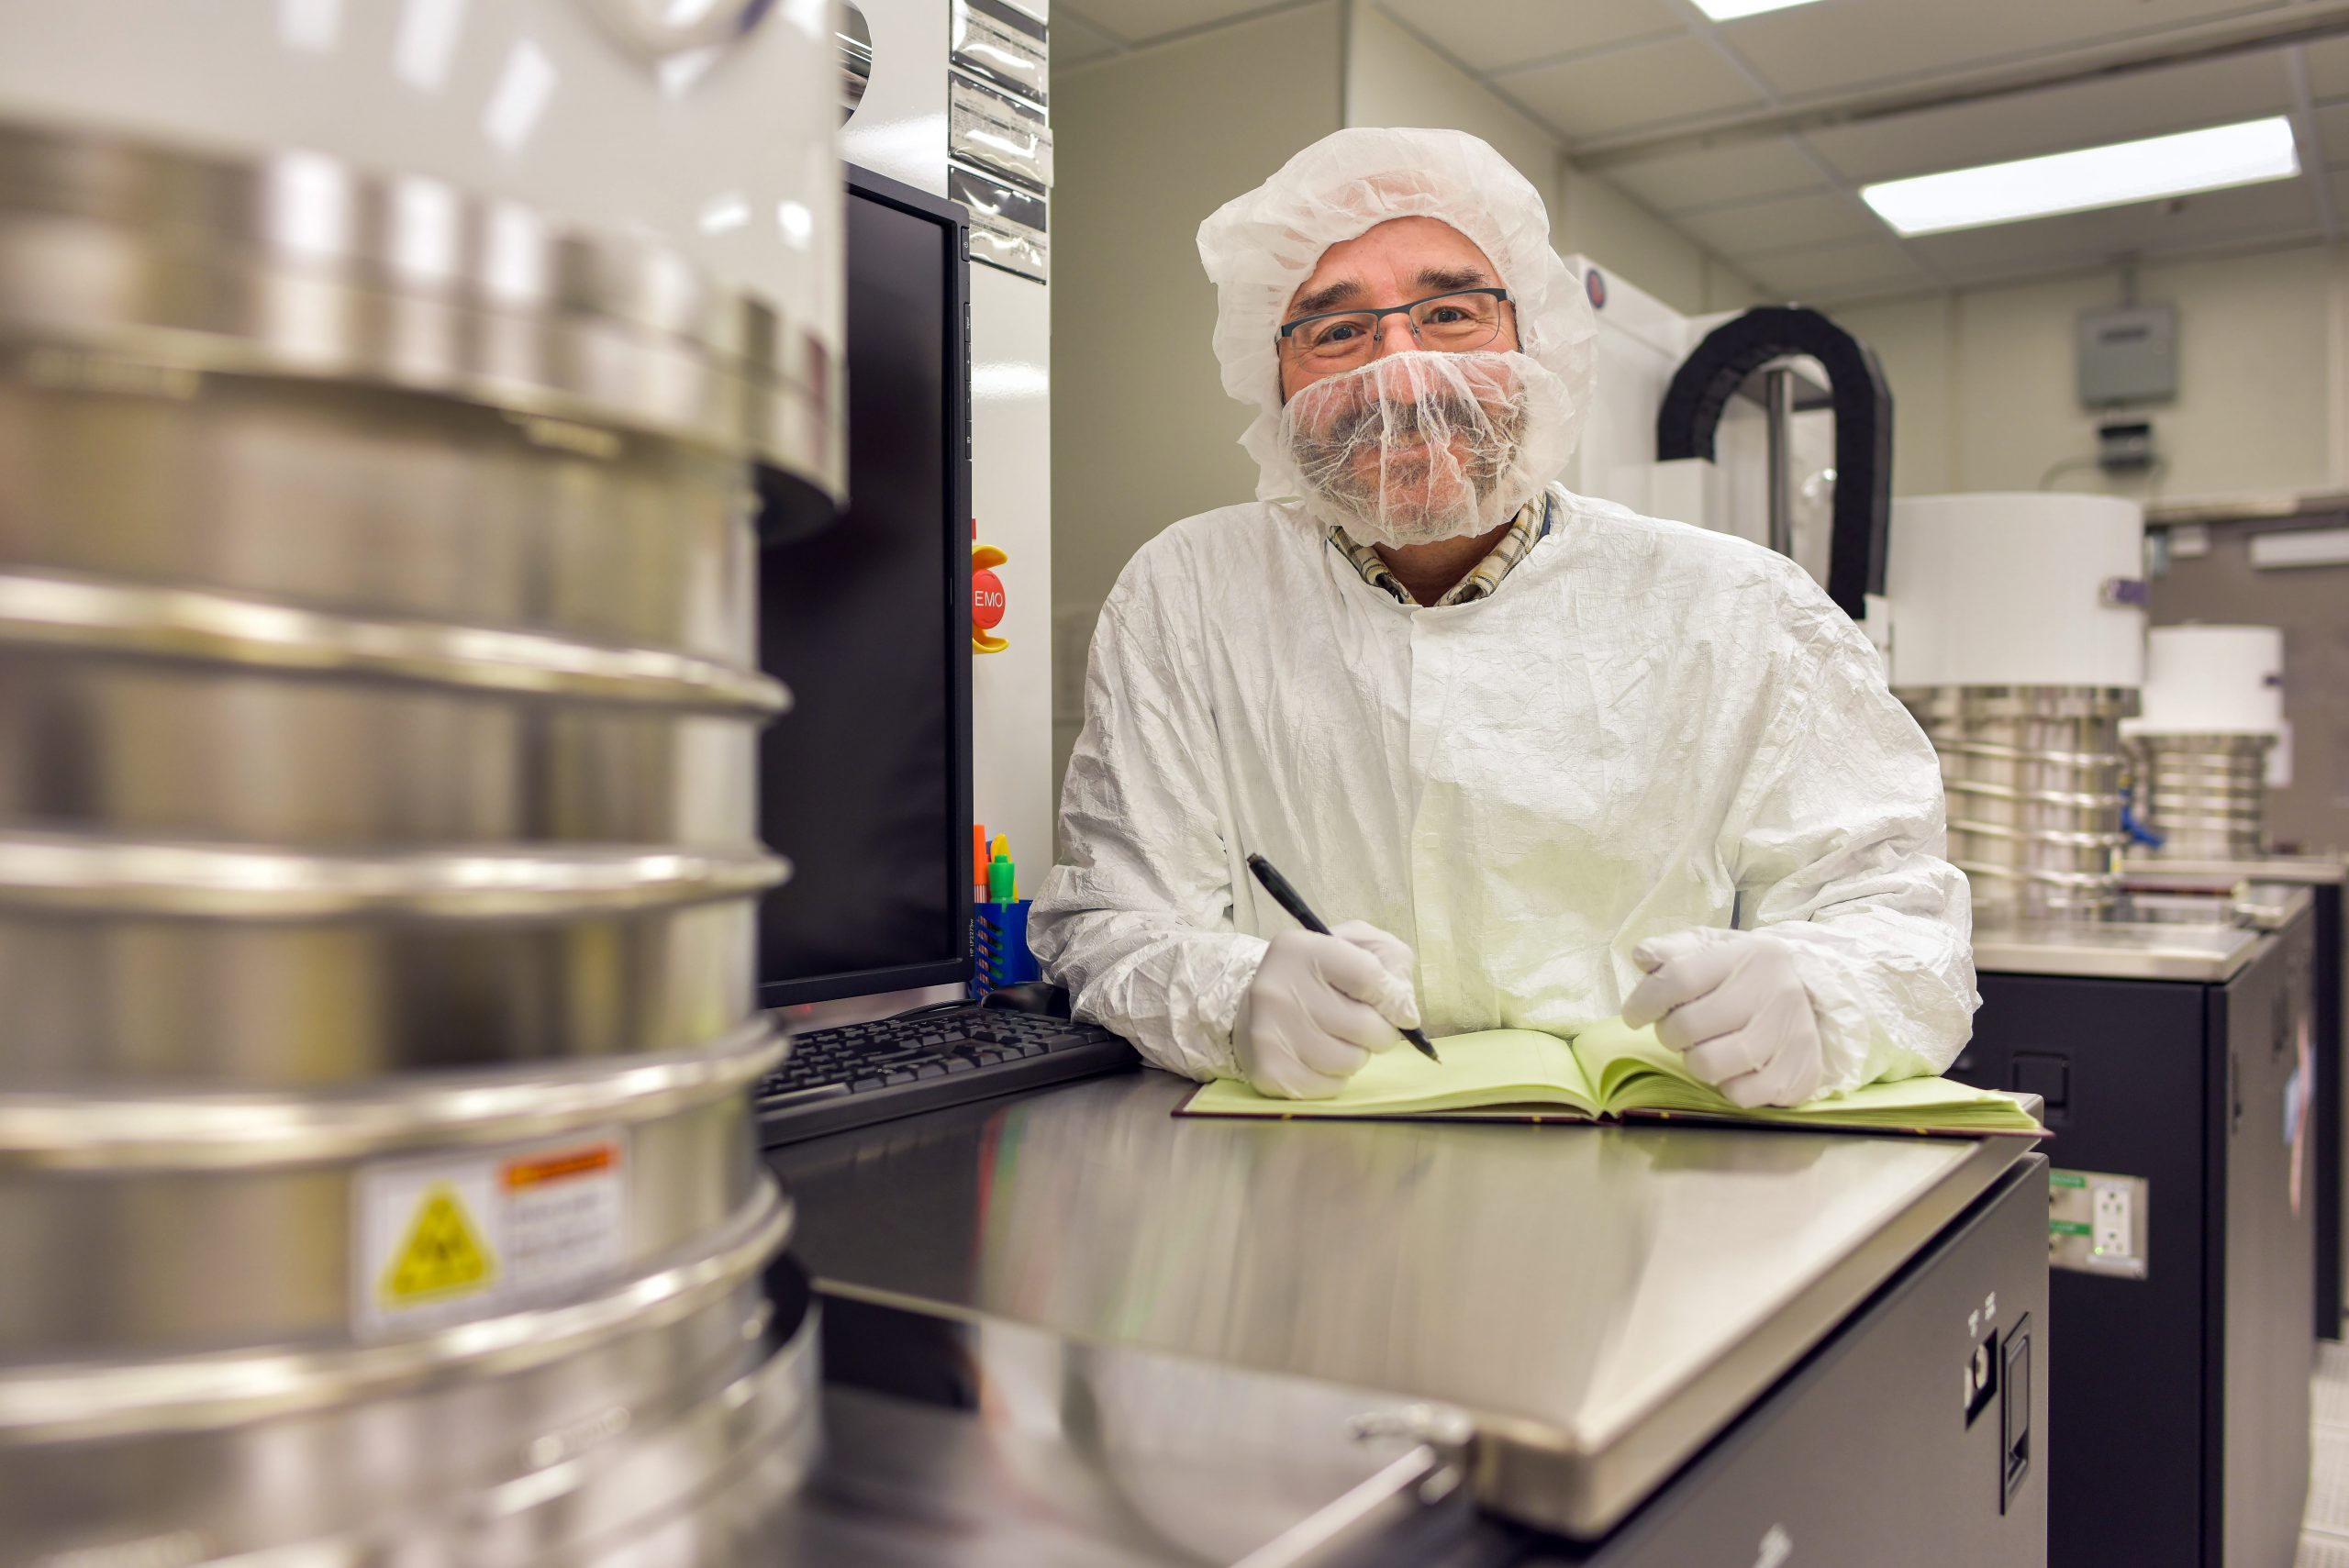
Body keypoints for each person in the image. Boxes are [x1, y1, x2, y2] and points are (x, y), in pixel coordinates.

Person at [1030, 127, 1975, 1107]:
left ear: (1540, 344)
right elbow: (1113, 921)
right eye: (1336, 330)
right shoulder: (1189, 590)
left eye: (1448, 313)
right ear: (1273, 386)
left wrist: (1818, 997)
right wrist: (1227, 998)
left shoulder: (1742, 608)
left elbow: (1899, 923)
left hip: (1662, 1196)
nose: (1398, 370)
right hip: (1309, 1181)